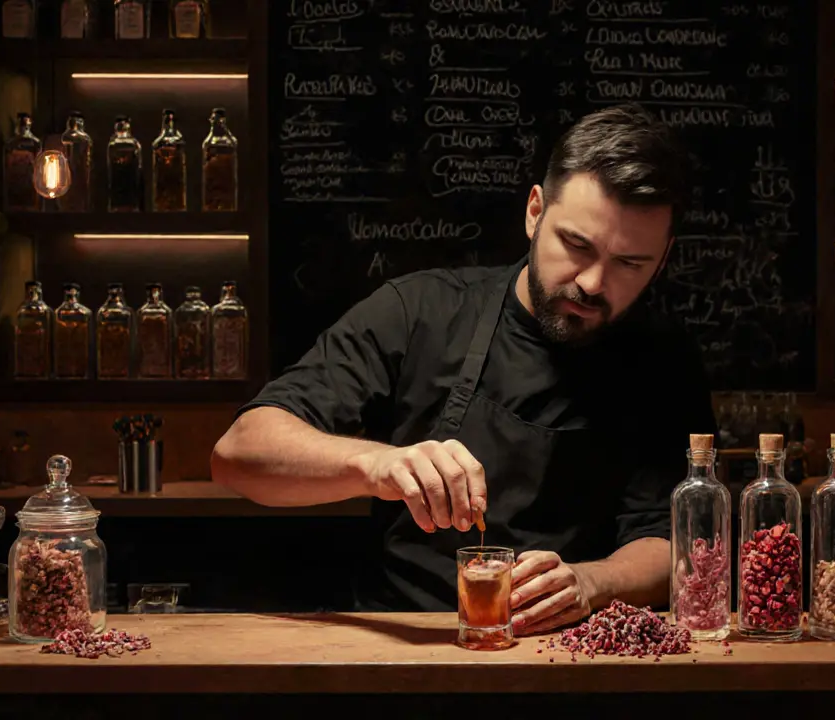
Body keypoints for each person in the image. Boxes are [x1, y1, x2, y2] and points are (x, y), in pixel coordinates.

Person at [212, 103, 716, 635]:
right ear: (534, 212)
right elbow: (240, 453)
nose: (592, 282)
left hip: (574, 653)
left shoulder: (664, 361)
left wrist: (595, 582)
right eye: (576, 245)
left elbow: (673, 540)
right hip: (405, 641)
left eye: (629, 264)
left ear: (662, 260)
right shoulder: (420, 312)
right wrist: (375, 466)